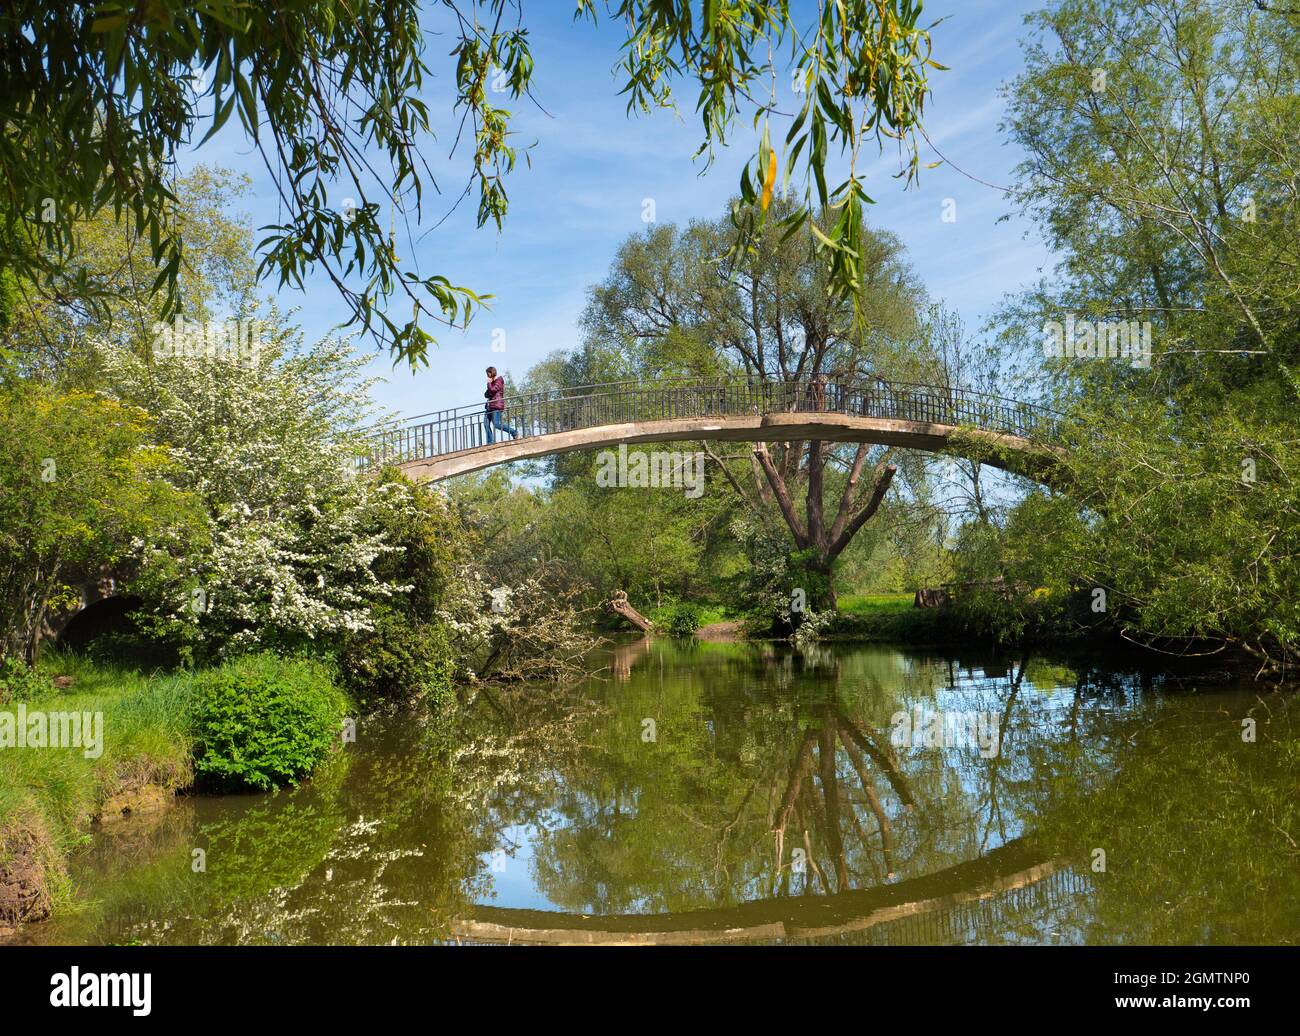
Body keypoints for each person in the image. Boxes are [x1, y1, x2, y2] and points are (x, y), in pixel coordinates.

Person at [483, 366, 519, 443]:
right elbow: (486, 394)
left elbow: (492, 390)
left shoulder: (499, 380)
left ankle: (514, 432)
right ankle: (490, 442)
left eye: (488, 373)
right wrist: (490, 387)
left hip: (496, 406)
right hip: (489, 407)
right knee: (486, 424)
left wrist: (489, 383)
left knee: (496, 424)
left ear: (491, 372)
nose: (487, 375)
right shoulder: (492, 382)